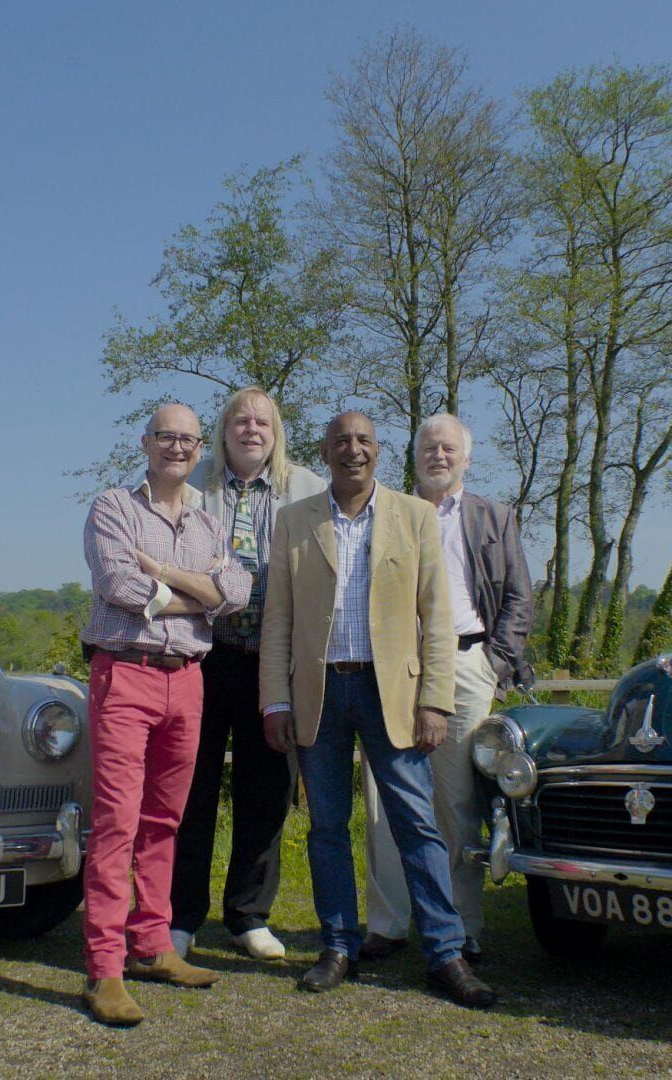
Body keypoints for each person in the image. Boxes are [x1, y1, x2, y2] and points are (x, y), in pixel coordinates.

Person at [257, 411, 497, 1008]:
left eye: (363, 440)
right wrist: (276, 700)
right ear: (327, 451)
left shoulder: (412, 517)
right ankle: (339, 945)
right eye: (342, 441)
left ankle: (445, 953)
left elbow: (436, 619)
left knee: (418, 825)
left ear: (379, 451)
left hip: (393, 695)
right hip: (319, 696)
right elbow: (278, 619)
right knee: (327, 828)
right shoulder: (294, 520)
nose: (353, 450)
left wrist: (436, 701)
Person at [77, 402, 252, 1027]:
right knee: (117, 823)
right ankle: (105, 965)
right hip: (125, 673)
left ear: (200, 447)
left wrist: (169, 582)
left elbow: (237, 593)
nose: (176, 447)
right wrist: (197, 597)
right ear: (146, 442)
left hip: (189, 682)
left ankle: (152, 943)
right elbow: (120, 587)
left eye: (187, 438)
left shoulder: (209, 523)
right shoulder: (113, 508)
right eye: (165, 436)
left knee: (165, 821)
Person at [359, 413, 534, 964]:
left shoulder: (494, 517)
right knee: (383, 801)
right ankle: (388, 923)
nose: (439, 455)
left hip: (465, 663)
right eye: (429, 446)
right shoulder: (381, 512)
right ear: (413, 456)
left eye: (449, 447)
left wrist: (494, 662)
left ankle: (460, 925)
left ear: (467, 457)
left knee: (456, 802)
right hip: (387, 667)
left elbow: (519, 599)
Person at [170, 387, 326, 962]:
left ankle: (248, 915)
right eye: (241, 420)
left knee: (266, 792)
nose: (251, 429)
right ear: (224, 429)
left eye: (262, 421)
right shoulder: (193, 486)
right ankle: (181, 915)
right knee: (192, 788)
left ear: (276, 431)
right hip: (205, 656)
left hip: (275, 662)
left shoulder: (307, 489)